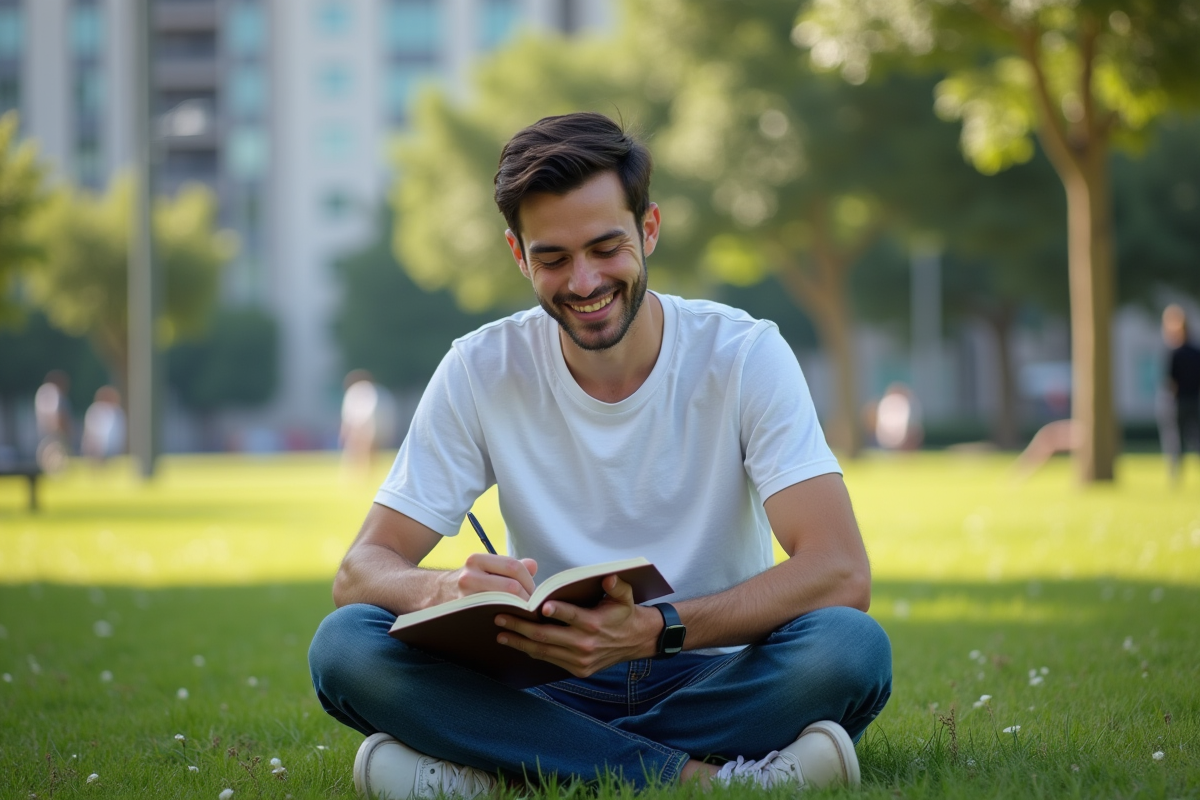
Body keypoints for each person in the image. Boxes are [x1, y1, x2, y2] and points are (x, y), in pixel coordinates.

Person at [309, 113, 891, 799]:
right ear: (518, 255)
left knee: (849, 648)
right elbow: (360, 571)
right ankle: (707, 781)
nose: (583, 283)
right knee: (346, 644)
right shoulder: (480, 367)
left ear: (648, 230)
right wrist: (443, 588)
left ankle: (510, 774)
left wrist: (651, 631)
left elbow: (840, 570)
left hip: (709, 668)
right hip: (545, 681)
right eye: (553, 258)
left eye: (605, 248)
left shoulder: (742, 354)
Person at [1162, 304, 1200, 483]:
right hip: (1195, 400)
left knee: (1175, 439)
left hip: (1179, 402)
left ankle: (1176, 477)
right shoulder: (1195, 352)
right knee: (1196, 438)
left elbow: (1171, 381)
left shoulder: (1174, 353)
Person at [34, 370, 73, 473]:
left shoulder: (42, 392)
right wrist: (64, 430)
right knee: (57, 455)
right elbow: (58, 413)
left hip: (44, 431)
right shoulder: (56, 392)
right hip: (56, 431)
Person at [81, 386, 126, 464]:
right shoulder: (96, 409)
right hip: (97, 443)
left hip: (112, 445)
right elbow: (92, 428)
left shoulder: (117, 411)